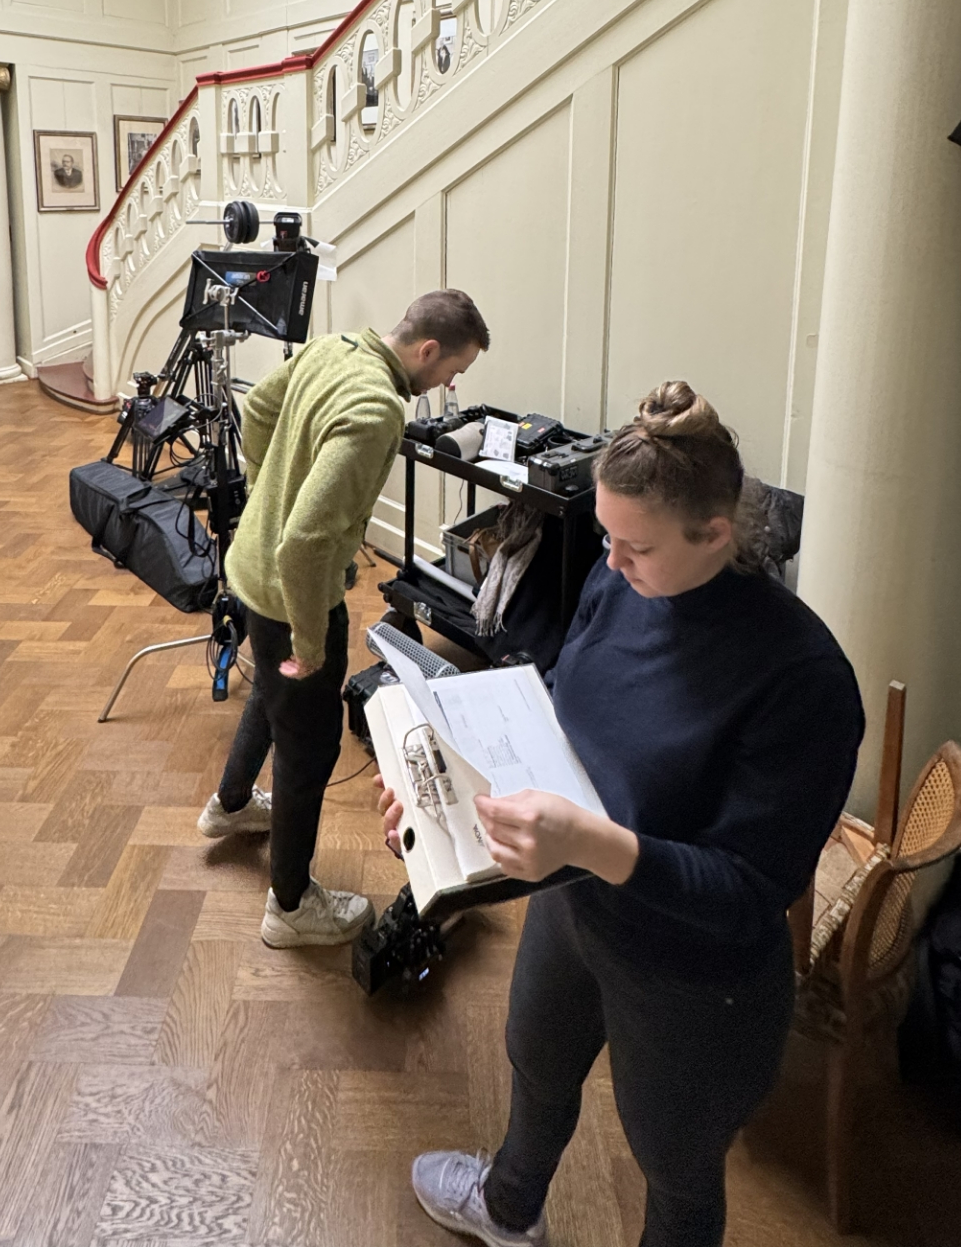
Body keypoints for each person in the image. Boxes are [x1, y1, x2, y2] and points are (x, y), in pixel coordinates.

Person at [381, 381, 865, 1247]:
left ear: (715, 534)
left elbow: (750, 892)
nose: (610, 562)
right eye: (606, 537)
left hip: (693, 972)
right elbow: (563, 704)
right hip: (577, 901)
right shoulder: (620, 581)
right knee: (536, 1062)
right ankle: (509, 1209)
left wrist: (597, 845)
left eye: (634, 546)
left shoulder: (803, 681)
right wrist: (442, 795)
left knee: (675, 1166)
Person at [199, 289, 490, 949]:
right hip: (290, 596)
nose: (449, 384)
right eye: (453, 369)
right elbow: (303, 544)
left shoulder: (334, 347)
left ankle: (231, 805)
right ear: (428, 350)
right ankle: (290, 906)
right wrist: (309, 644)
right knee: (309, 748)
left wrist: (266, 494)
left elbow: (259, 410)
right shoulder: (378, 410)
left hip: (251, 572)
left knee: (271, 695)